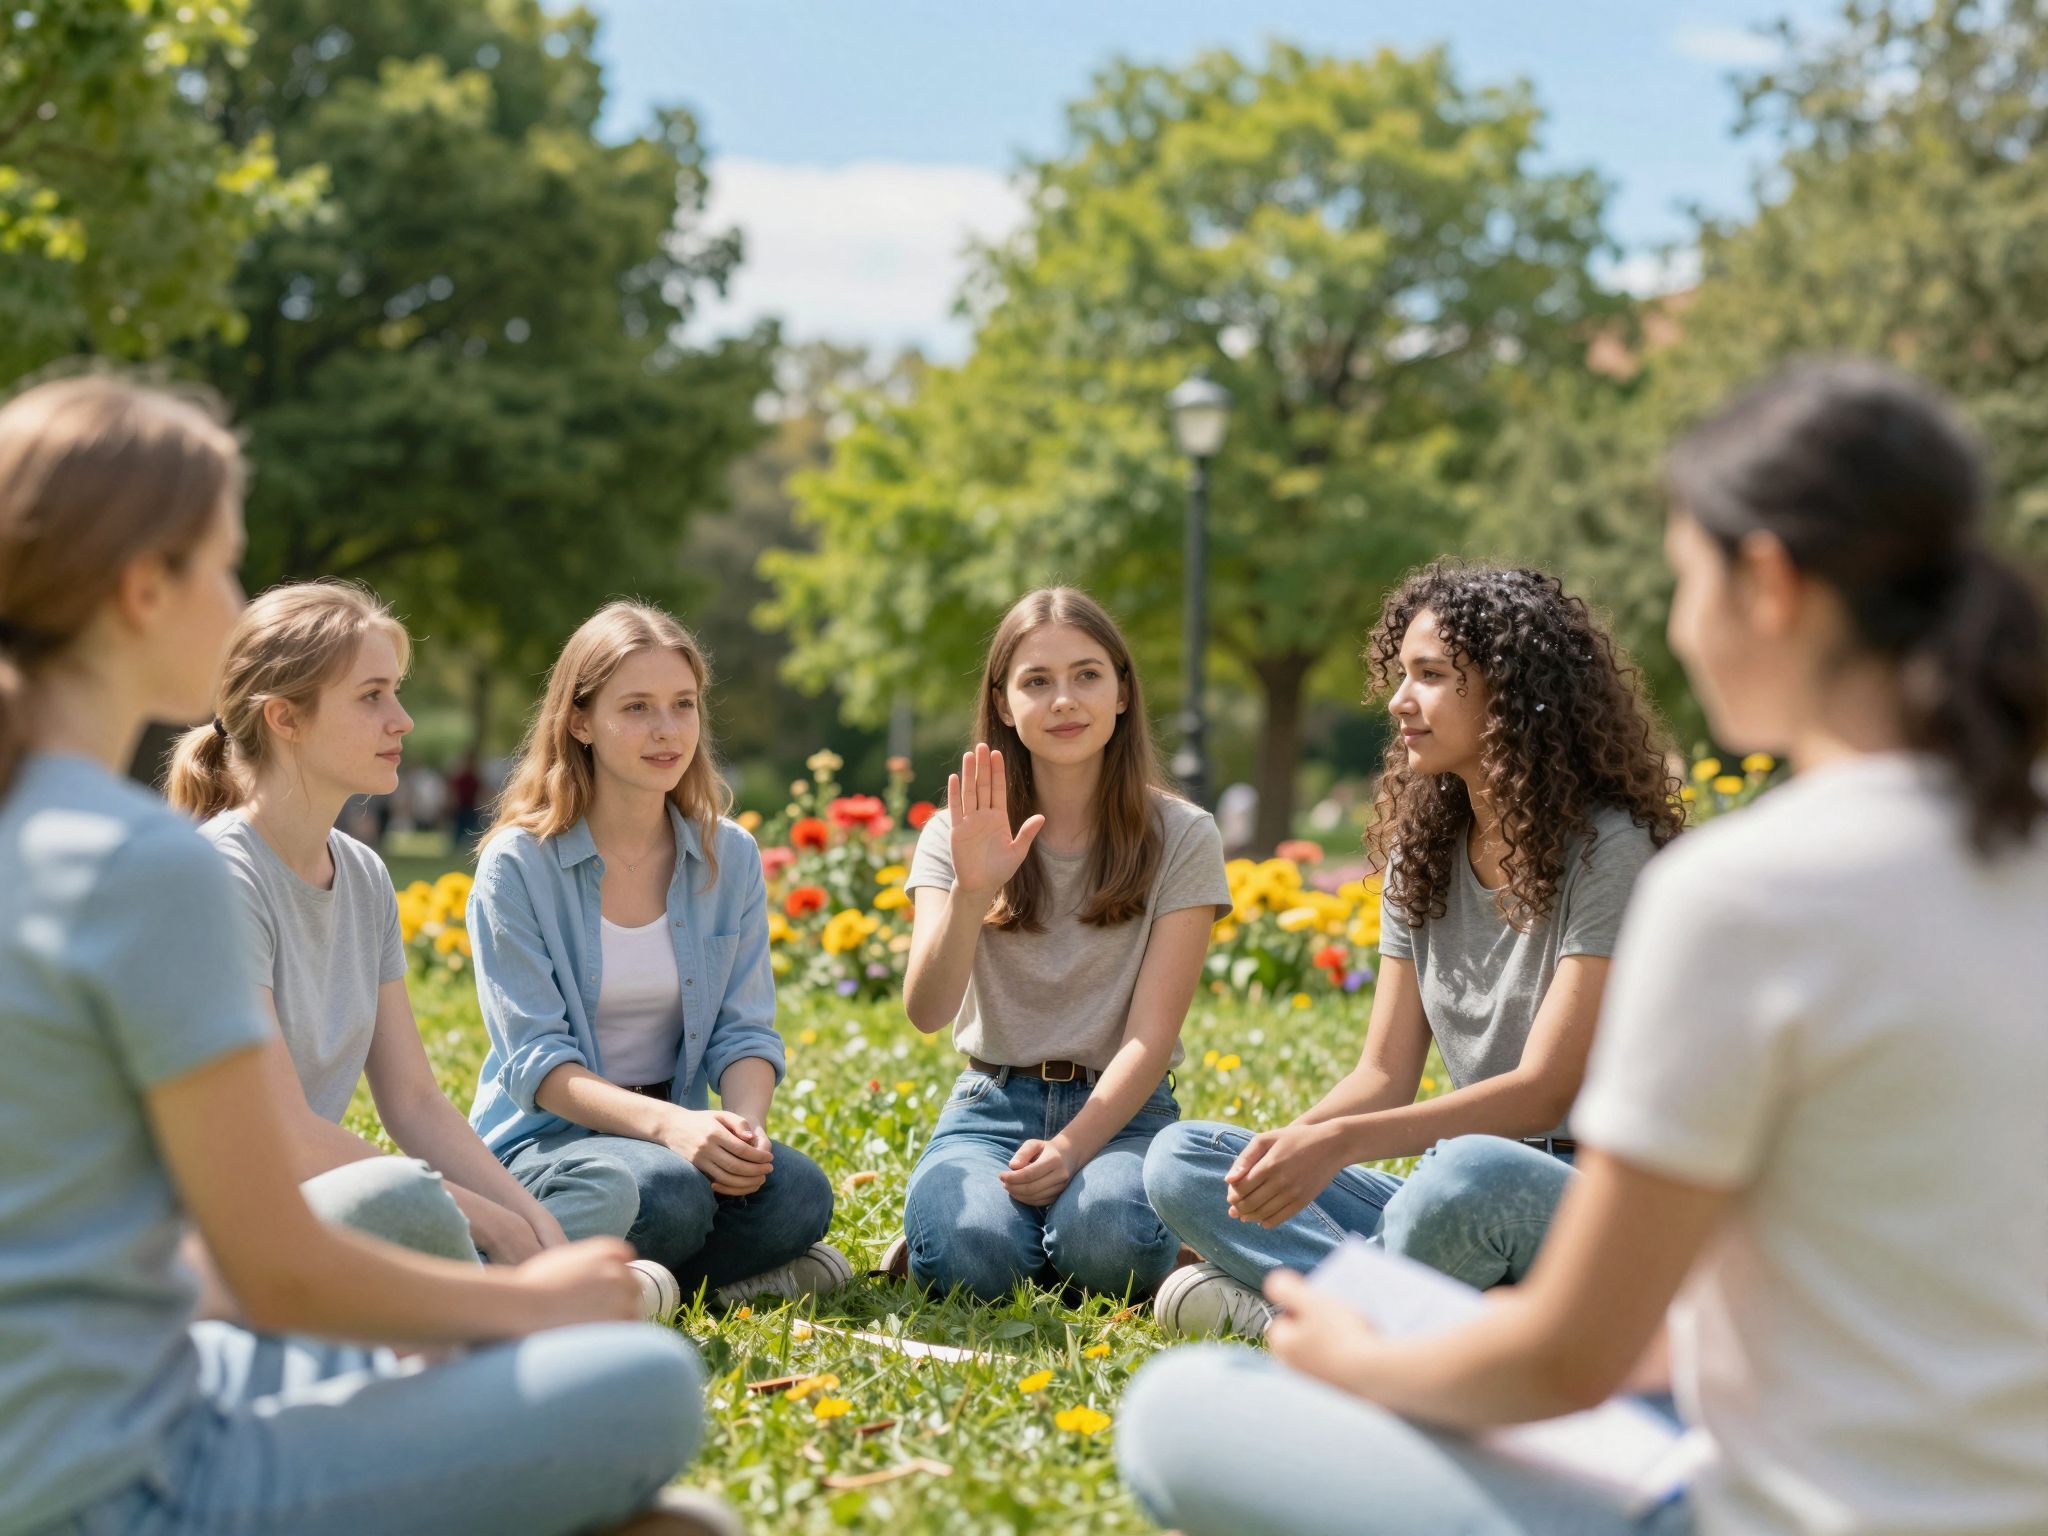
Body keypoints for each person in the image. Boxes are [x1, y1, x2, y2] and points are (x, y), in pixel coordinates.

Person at [1117, 359, 2048, 1536]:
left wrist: (1361, 1363)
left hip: (1761, 1498)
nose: (1675, 624)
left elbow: (1566, 1358)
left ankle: (1337, 1317)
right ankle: (1379, 1297)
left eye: (1680, 579)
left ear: (1765, 583)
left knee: (1183, 1411)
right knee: (1218, 1167)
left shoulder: (1740, 891)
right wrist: (1309, 1142)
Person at [0, 374, 733, 1536]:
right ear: (145, 588)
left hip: (120, 1381)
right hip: (111, 1480)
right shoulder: (150, 866)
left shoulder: (50, 833)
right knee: (643, 1388)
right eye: (224, 565)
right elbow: (279, 1263)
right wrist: (524, 1306)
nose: (239, 600)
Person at [1147, 562, 1684, 1339]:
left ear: (1511, 690)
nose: (1399, 701)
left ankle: (1303, 1322)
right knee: (1183, 1157)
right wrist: (1282, 1157)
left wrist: (1339, 1144)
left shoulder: (1611, 851)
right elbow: (1382, 1075)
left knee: (1468, 1176)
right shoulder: (1423, 854)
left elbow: (1542, 1091)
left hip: (1583, 1201)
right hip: (1449, 1185)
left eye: (1429, 676)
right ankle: (1411, 1317)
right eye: (1401, 675)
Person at [165, 580, 635, 1274]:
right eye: (372, 695)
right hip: (221, 1230)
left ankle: (499, 1288)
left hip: (335, 1210)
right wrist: (478, 1219)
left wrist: (525, 1218)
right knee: (407, 1205)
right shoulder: (217, 880)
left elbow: (413, 1103)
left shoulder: (362, 875)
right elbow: (283, 1138)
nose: (402, 720)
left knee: (604, 1188)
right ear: (284, 718)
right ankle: (506, 1295)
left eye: (395, 691)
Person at [466, 601, 846, 1306]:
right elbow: (536, 1064)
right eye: (636, 707)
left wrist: (743, 1136)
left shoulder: (726, 856)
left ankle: (647, 1285)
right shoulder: (518, 866)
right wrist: (670, 1127)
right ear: (580, 721)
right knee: (664, 1192)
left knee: (798, 1194)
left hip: (679, 1135)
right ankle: (521, 1269)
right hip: (548, 1148)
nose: (666, 730)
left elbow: (745, 1030)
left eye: (683, 705)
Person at [887, 587, 1231, 1302]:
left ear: (1123, 693)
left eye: (1086, 675)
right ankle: (962, 1227)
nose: (1064, 700)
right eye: (1036, 682)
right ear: (1005, 704)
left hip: (1125, 1112)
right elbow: (926, 1010)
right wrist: (972, 892)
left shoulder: (1185, 836)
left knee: (1109, 1242)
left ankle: (1092, 1227)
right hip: (992, 1104)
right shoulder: (956, 834)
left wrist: (1073, 1148)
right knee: (970, 1259)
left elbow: (1151, 1035)